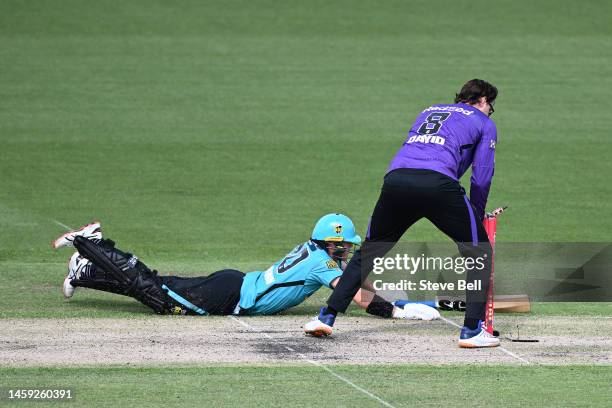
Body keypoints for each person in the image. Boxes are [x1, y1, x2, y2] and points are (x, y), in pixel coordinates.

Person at [304, 79, 500, 348]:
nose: (490, 111)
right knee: (479, 251)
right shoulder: (484, 122)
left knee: (370, 251)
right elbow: (482, 177)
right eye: (491, 106)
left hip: (396, 180)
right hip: (438, 183)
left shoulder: (429, 110)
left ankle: (326, 317)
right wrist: (476, 215)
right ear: (482, 100)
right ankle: (471, 331)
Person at [51, 215, 439, 320]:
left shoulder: (313, 251)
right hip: (228, 295)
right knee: (154, 292)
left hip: (233, 283)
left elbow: (354, 284)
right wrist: (396, 311)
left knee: (155, 287)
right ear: (332, 244)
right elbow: (353, 296)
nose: (347, 252)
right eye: (344, 246)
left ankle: (83, 273)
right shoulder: (323, 264)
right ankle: (93, 243)